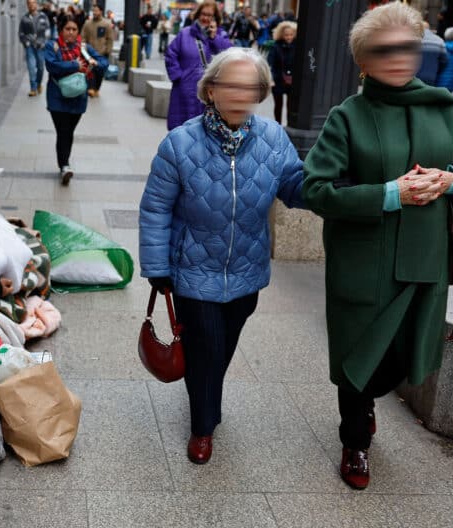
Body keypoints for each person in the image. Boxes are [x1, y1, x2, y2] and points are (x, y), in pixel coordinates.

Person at [302, 2, 453, 491]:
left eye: (407, 46)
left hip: (425, 260)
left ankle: (365, 406)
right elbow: (317, 190)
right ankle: (355, 443)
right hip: (365, 262)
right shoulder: (348, 116)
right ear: (363, 61)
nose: (397, 57)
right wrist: (393, 193)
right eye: (382, 50)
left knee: (403, 355)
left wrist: (448, 180)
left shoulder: (444, 107)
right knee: (357, 357)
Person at [140, 47, 306, 466]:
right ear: (209, 89)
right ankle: (202, 427)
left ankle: (204, 389)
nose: (239, 93)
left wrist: (334, 177)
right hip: (193, 269)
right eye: (229, 84)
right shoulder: (180, 143)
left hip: (247, 271)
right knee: (207, 346)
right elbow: (156, 208)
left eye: (249, 86)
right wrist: (158, 268)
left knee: (221, 347)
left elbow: (296, 188)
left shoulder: (273, 139)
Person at [44, 13, 108, 185]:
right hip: (57, 98)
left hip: (78, 98)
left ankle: (64, 163)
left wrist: (95, 63)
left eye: (74, 29)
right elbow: (51, 66)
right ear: (61, 30)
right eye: (67, 29)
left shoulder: (84, 48)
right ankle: (64, 165)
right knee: (63, 131)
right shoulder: (53, 46)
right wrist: (74, 65)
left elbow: (104, 63)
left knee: (69, 132)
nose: (71, 32)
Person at [165, 0, 232, 130]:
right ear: (198, 14)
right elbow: (170, 54)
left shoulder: (221, 35)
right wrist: (178, 76)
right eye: (203, 14)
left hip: (211, 93)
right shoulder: (185, 33)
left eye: (209, 15)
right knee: (182, 128)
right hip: (185, 89)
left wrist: (214, 38)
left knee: (206, 132)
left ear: (215, 18)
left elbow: (229, 56)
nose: (205, 18)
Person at [19, 0, 51, 97]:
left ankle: (38, 83)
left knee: (40, 67)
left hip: (40, 46)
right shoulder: (24, 18)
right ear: (27, 5)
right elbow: (21, 33)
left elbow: (48, 30)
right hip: (30, 47)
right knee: (31, 67)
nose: (31, 5)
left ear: (36, 4)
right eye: (29, 3)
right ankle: (33, 88)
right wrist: (26, 43)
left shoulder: (43, 16)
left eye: (33, 3)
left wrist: (44, 42)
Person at [81, 4, 114, 96]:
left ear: (101, 11)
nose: (94, 12)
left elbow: (110, 38)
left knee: (99, 73)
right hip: (90, 53)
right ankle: (91, 88)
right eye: (93, 10)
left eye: (96, 10)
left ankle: (96, 89)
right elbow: (83, 37)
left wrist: (108, 50)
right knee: (91, 71)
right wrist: (83, 48)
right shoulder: (87, 23)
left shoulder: (106, 24)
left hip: (102, 53)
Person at [267, 21, 296, 124]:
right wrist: (270, 78)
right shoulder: (276, 46)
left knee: (291, 106)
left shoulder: (298, 46)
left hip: (293, 80)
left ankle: (289, 125)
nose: (289, 37)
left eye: (291, 35)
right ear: (281, 35)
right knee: (278, 105)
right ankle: (278, 125)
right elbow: (270, 63)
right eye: (286, 35)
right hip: (278, 79)